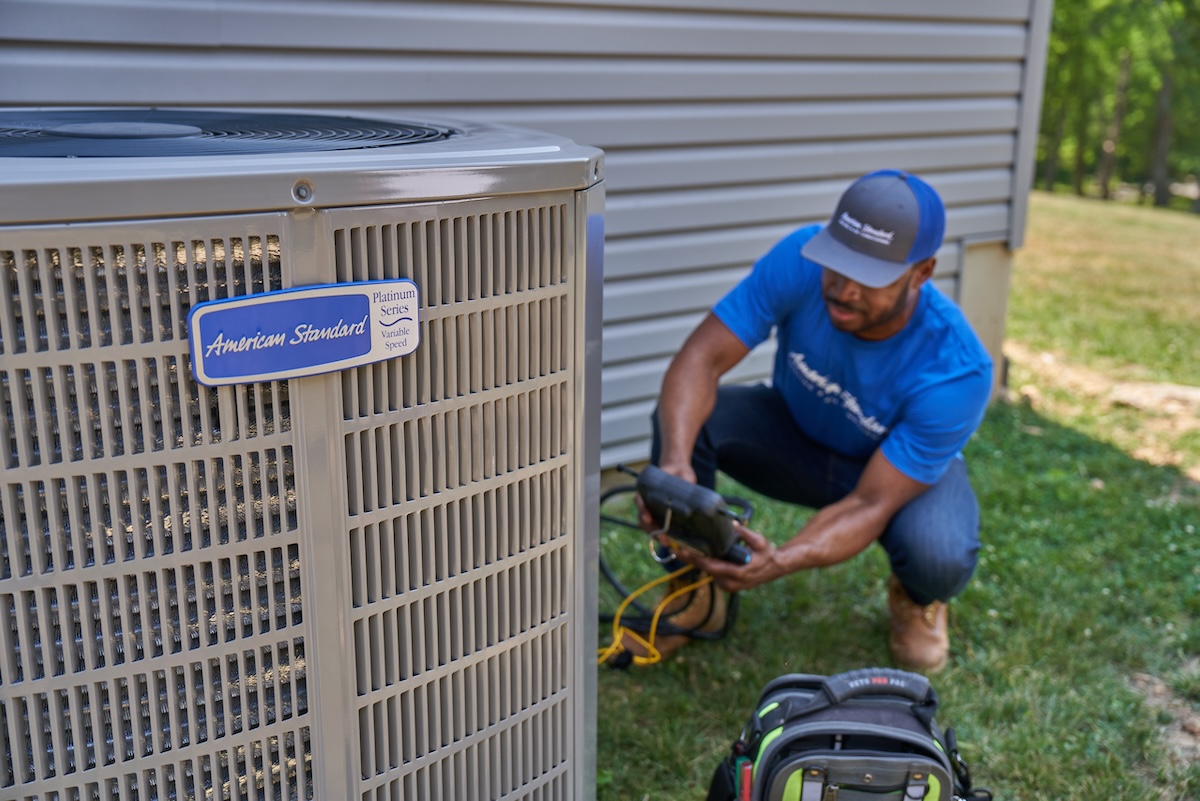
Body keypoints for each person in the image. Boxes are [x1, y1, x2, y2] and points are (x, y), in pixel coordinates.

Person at [630, 169, 993, 672]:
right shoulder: (798, 259)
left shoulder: (956, 369)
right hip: (794, 435)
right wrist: (674, 465)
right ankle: (696, 596)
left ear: (922, 272)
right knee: (690, 424)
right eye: (836, 265)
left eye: (869, 277)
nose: (843, 290)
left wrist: (780, 560)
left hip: (887, 474)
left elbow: (870, 501)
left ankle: (916, 599)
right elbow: (700, 360)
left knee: (940, 555)